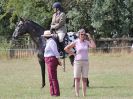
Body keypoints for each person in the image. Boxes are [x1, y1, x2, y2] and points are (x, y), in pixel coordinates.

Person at [64, 29, 96, 97]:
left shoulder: (87, 42)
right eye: (81, 34)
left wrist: (90, 37)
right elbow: (66, 48)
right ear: (79, 35)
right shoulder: (76, 42)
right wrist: (73, 53)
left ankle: (84, 94)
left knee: (84, 79)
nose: (83, 35)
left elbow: (93, 46)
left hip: (85, 62)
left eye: (84, 34)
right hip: (77, 62)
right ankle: (77, 94)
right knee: (77, 78)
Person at [42, 30, 62, 96]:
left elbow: (55, 51)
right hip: (48, 59)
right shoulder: (48, 42)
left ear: (45, 36)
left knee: (53, 77)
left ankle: (56, 93)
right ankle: (52, 92)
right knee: (50, 77)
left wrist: (58, 59)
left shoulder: (51, 42)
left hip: (51, 59)